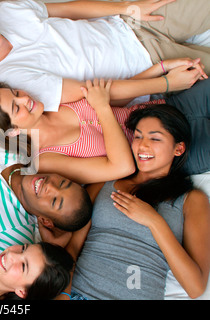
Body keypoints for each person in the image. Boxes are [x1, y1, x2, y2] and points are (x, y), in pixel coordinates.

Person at [0, 0, 209, 110]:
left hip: (130, 25)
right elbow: (94, 93)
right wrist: (167, 83)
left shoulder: (6, 12)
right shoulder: (10, 81)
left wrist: (127, 8)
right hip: (149, 61)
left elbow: (69, 9)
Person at [0, 64, 210, 184]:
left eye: (16, 93)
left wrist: (160, 71)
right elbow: (122, 167)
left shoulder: (55, 104)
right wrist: (102, 107)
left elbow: (112, 96)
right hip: (173, 151)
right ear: (13, 132)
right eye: (16, 107)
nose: (25, 98)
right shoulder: (47, 159)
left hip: (165, 108)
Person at [68, 104, 210, 300]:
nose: (142, 145)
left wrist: (154, 221)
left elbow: (196, 288)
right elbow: (73, 249)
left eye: (155, 138)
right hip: (80, 293)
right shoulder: (104, 182)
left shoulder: (191, 200)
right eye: (138, 136)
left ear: (178, 148)